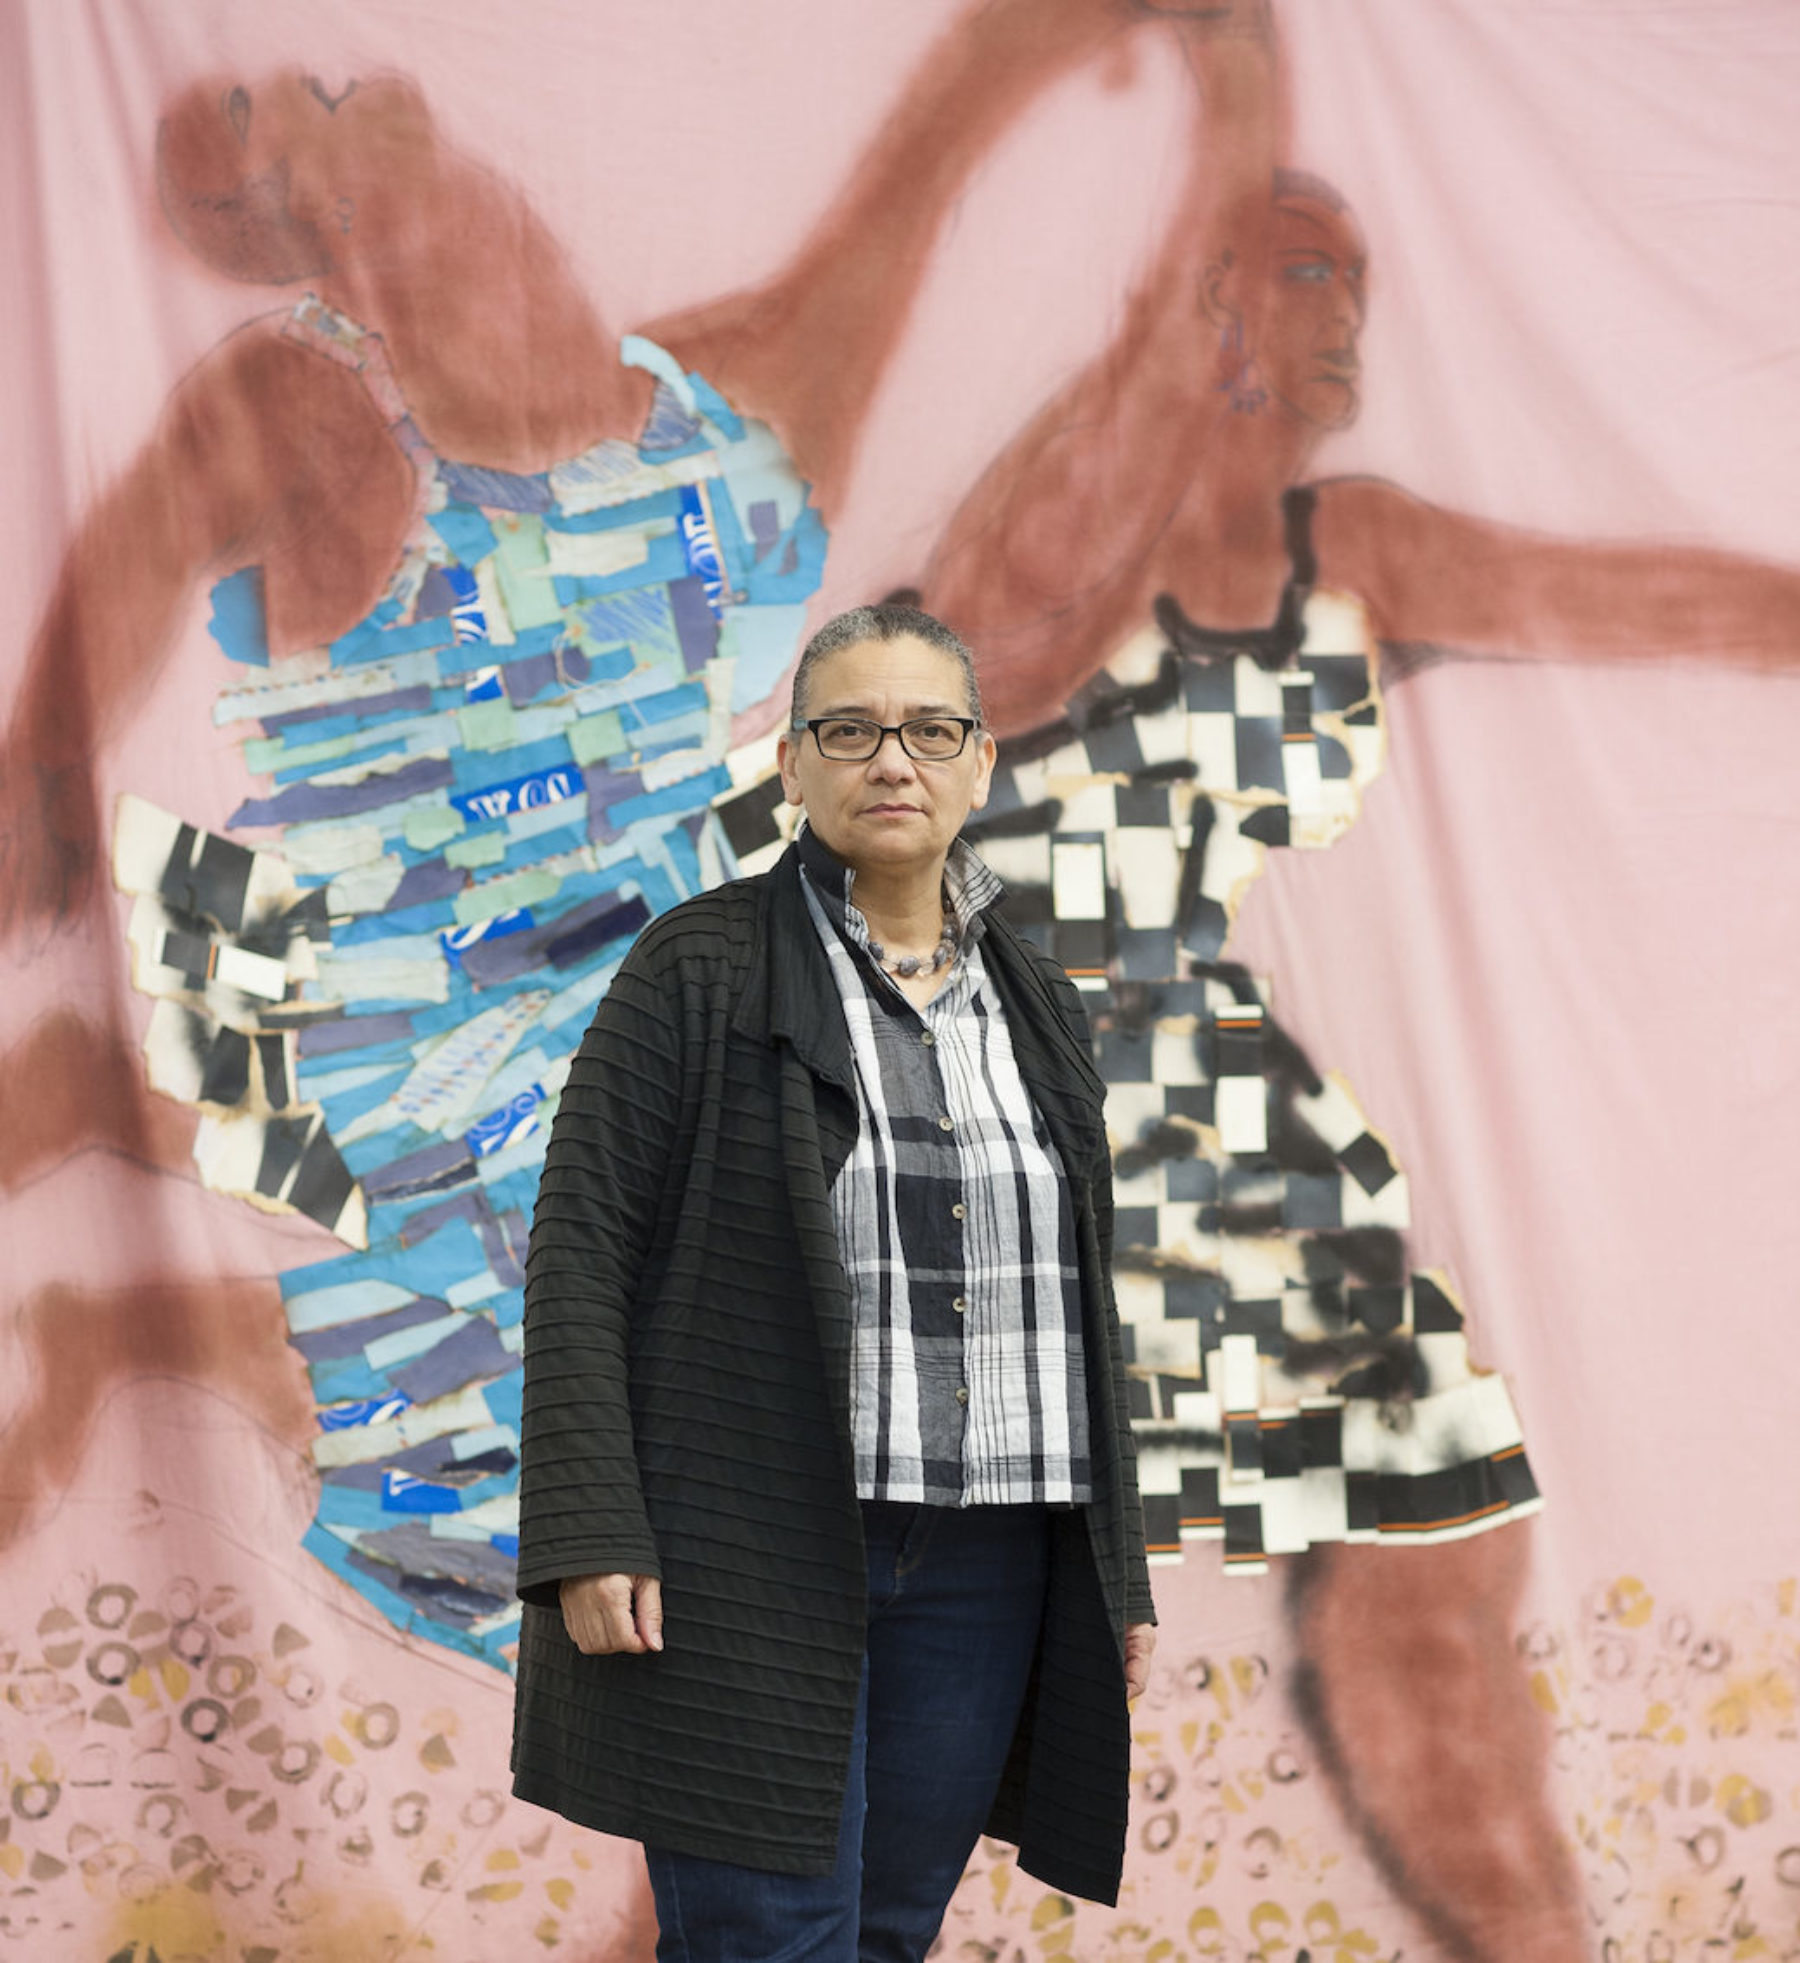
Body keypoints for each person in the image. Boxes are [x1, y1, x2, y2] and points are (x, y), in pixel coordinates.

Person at [511, 603, 1157, 1961]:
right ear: (793, 768)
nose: (892, 761)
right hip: (750, 1549)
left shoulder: (1034, 997)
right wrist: (590, 1532)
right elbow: (579, 1247)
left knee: (884, 1933)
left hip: (990, 1550)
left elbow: (1079, 1302)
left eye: (930, 729)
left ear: (981, 764)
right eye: (849, 730)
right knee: (767, 1940)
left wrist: (1119, 1573)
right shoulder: (697, 966)